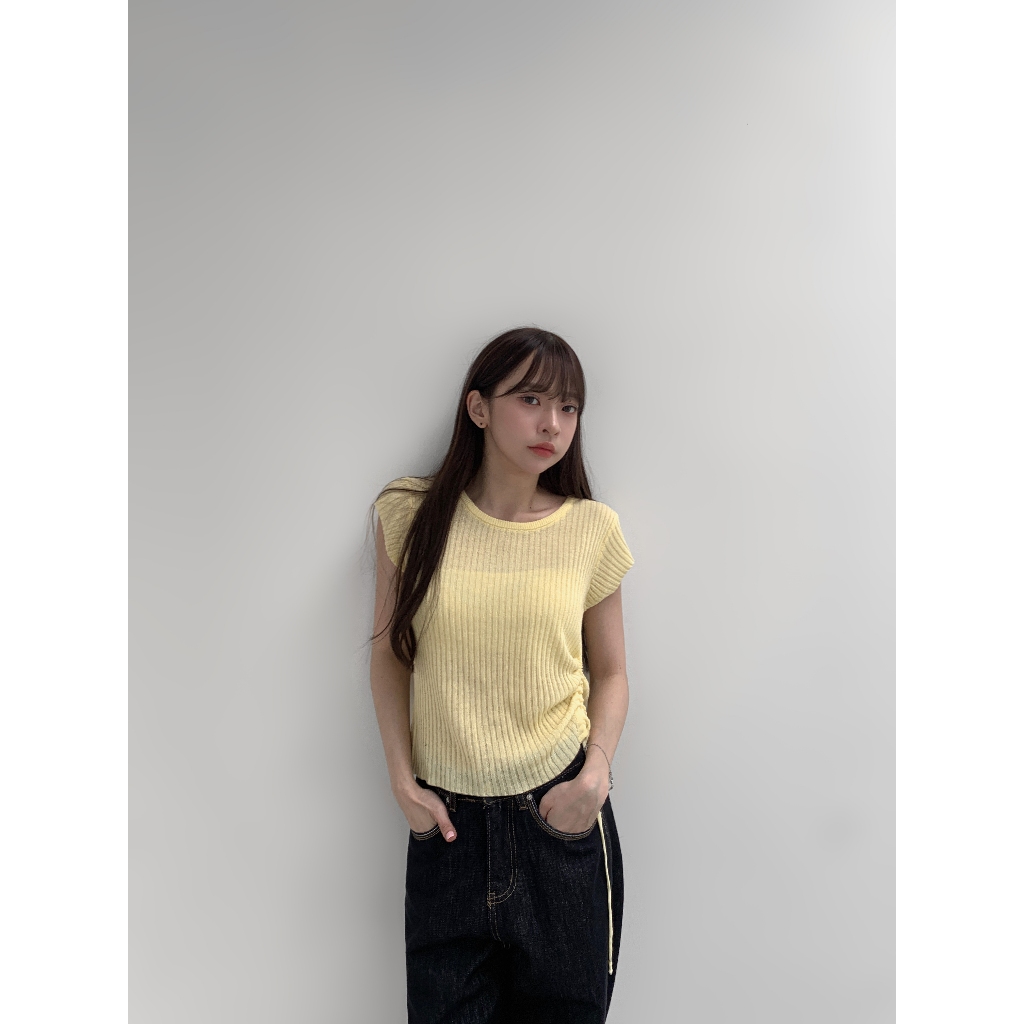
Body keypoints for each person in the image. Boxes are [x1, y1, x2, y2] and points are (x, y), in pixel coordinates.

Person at [369, 326, 634, 1023]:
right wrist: (402, 782)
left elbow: (611, 673)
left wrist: (595, 777)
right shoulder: (410, 514)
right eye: (532, 399)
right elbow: (389, 654)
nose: (553, 424)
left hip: (560, 823)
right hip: (448, 832)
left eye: (569, 407)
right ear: (479, 407)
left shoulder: (591, 530)